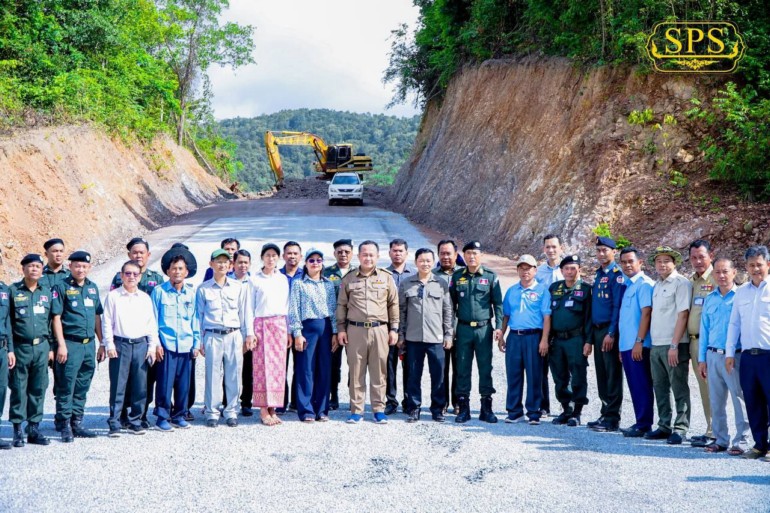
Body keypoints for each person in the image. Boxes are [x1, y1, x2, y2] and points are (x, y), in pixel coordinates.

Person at [336, 240, 399, 424]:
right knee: (356, 371)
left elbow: (393, 304)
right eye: (364, 254)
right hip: (355, 330)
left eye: (372, 255)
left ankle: (378, 409)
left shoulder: (386, 278)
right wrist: (341, 329)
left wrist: (394, 329)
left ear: (378, 257)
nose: (368, 258)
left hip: (380, 329)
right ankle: (357, 410)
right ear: (359, 256)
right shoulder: (349, 278)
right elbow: (342, 305)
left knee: (379, 371)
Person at [110, 237, 165, 429]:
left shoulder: (156, 279)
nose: (138, 255)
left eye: (142, 252)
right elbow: (110, 316)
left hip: (143, 340)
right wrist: (107, 343)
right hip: (123, 340)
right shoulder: (118, 280)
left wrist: (154, 343)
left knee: (144, 381)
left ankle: (139, 416)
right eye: (134, 252)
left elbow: (155, 316)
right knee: (121, 382)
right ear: (128, 255)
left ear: (148, 255)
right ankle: (120, 416)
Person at [101, 260, 160, 437]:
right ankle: (115, 422)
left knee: (140, 386)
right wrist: (109, 344)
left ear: (140, 276)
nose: (131, 277)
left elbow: (151, 324)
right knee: (118, 385)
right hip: (121, 345)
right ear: (121, 275)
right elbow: (107, 322)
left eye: (135, 274)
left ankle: (136, 420)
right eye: (128, 273)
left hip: (141, 345)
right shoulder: (113, 296)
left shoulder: (144, 298)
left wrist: (152, 346)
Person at [8, 254, 62, 447]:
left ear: (42, 270)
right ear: (23, 269)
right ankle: (17, 429)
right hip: (21, 347)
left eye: (38, 266)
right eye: (30, 266)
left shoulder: (47, 292)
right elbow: (8, 323)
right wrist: (10, 350)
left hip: (42, 347)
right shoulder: (13, 291)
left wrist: (52, 348)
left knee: (38, 388)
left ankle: (33, 428)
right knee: (19, 389)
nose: (34, 269)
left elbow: (53, 321)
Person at [197, 249, 254, 428]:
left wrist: (248, 336)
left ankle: (231, 411)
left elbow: (246, 313)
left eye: (225, 262)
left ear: (230, 265)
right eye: (218, 261)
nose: (222, 265)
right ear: (211, 264)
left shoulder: (239, 287)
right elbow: (198, 317)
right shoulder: (203, 289)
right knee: (212, 375)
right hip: (213, 335)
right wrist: (199, 341)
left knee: (234, 374)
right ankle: (212, 412)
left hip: (233, 334)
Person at [51, 251, 103, 442]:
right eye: (77, 266)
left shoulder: (92, 288)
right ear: (70, 266)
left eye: (84, 266)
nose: (81, 269)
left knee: (82, 385)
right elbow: (56, 317)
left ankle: (76, 422)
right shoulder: (61, 287)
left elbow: (97, 316)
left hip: (89, 344)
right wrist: (61, 345)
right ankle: (63, 424)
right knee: (66, 385)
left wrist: (102, 342)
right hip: (70, 344)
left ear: (89, 268)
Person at [698, 257, 749, 455]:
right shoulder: (710, 299)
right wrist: (702, 359)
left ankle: (741, 441)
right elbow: (705, 330)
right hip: (712, 355)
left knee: (739, 399)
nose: (721, 275)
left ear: (734, 272)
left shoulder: (741, 297)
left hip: (734, 356)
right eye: (717, 272)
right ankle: (720, 439)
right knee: (716, 401)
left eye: (725, 271)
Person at [450, 241, 503, 424]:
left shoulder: (490, 276)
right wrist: (452, 329)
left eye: (475, 253)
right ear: (464, 256)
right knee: (462, 368)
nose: (472, 257)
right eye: (469, 253)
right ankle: (463, 407)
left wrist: (499, 327)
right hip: (463, 329)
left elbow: (498, 304)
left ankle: (486, 408)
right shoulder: (458, 277)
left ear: (481, 255)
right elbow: (451, 305)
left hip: (483, 329)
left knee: (485, 368)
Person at [726, 245, 770, 460]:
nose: (755, 269)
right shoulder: (741, 292)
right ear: (746, 267)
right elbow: (734, 324)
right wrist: (729, 353)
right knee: (753, 402)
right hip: (748, 357)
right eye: (751, 265)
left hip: (768, 355)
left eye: (759, 265)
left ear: (768, 265)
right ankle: (760, 444)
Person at [399, 248, 452, 422]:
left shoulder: (441, 283)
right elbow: (401, 311)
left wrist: (448, 334)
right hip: (413, 338)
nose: (425, 264)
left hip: (435, 338)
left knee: (438, 375)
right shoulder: (407, 283)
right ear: (416, 262)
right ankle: (414, 407)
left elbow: (447, 310)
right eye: (421, 260)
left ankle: (437, 408)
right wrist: (401, 334)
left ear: (433, 262)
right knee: (413, 375)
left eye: (428, 260)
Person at [645, 246, 692, 445]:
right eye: (659, 261)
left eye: (666, 260)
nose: (662, 264)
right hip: (657, 343)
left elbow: (683, 314)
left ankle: (680, 427)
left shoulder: (681, 283)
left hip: (674, 344)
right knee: (660, 387)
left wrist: (674, 345)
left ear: (674, 263)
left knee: (679, 386)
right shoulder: (656, 285)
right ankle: (664, 425)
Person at [151, 246, 200, 432]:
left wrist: (196, 343)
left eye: (181, 268)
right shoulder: (159, 292)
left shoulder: (191, 293)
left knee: (183, 383)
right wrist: (155, 343)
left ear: (186, 272)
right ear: (168, 271)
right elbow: (154, 319)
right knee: (164, 383)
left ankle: (179, 415)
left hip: (186, 345)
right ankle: (162, 418)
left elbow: (195, 319)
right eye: (174, 268)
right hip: (167, 345)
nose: (177, 272)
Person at [499, 254, 551, 425]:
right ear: (518, 270)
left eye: (528, 268)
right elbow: (506, 315)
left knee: (534, 375)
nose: (525, 271)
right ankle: (514, 411)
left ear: (535, 270)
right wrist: (502, 334)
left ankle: (534, 412)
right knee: (513, 374)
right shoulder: (512, 291)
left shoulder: (542, 290)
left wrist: (544, 340)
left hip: (534, 337)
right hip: (515, 337)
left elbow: (546, 317)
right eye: (521, 268)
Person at [288, 248, 337, 422]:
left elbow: (332, 310)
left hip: (325, 328)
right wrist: (297, 333)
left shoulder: (328, 284)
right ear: (306, 263)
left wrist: (335, 332)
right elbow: (294, 310)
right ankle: (306, 409)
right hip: (306, 328)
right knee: (305, 369)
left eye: (318, 260)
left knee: (324, 369)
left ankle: (322, 409)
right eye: (311, 260)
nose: (315, 263)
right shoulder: (299, 283)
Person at [547, 255, 592, 426]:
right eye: (566, 268)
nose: (570, 272)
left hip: (576, 339)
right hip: (557, 340)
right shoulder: (554, 288)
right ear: (561, 270)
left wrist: (588, 341)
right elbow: (548, 315)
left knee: (578, 375)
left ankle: (577, 412)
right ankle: (566, 408)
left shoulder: (586, 290)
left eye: (573, 268)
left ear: (579, 270)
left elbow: (589, 318)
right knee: (559, 376)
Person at [250, 243, 291, 426]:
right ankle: (263, 409)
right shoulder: (254, 279)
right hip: (261, 324)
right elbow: (249, 307)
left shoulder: (282, 279)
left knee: (278, 368)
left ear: (278, 258)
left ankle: (274, 407)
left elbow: (287, 306)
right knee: (261, 368)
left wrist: (289, 330)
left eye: (274, 255)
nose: (271, 258)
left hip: (279, 325)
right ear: (262, 258)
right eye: (267, 255)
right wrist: (250, 332)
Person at [617, 248, 655, 438]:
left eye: (631, 261)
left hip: (639, 345)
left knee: (642, 384)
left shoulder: (644, 284)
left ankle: (644, 423)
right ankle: (641, 421)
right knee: (634, 384)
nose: (627, 265)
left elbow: (646, 313)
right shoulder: (627, 285)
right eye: (623, 262)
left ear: (640, 262)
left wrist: (639, 341)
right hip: (627, 344)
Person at [588, 236, 625, 433]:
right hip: (597, 330)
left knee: (612, 375)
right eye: (599, 250)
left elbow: (617, 306)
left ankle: (612, 417)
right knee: (601, 374)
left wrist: (611, 332)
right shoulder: (598, 274)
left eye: (605, 250)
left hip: (609, 331)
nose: (601, 254)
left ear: (613, 252)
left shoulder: (616, 275)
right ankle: (605, 412)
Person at [687, 240, 717, 447]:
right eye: (694, 257)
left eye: (702, 257)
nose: (698, 261)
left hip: (710, 344)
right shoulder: (693, 281)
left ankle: (716, 432)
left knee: (713, 387)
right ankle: (710, 428)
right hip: (693, 342)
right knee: (704, 387)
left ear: (711, 256)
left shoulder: (717, 278)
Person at [324, 238, 356, 410]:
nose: (343, 254)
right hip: (333, 327)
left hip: (354, 326)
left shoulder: (358, 272)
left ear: (352, 253)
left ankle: (353, 397)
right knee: (333, 363)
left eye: (347, 251)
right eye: (340, 252)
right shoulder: (326, 273)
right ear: (334, 253)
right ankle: (333, 396)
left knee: (355, 364)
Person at [433, 239, 463, 415]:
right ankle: (441, 402)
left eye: (448, 253)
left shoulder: (463, 274)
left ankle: (458, 401)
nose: (445, 257)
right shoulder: (432, 275)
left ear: (455, 255)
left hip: (460, 329)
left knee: (460, 369)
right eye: (442, 253)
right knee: (441, 368)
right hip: (438, 330)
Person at [535, 234, 564, 418]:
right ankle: (543, 405)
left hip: (563, 324)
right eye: (548, 247)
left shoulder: (568, 269)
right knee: (541, 367)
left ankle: (565, 405)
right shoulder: (538, 272)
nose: (551, 250)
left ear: (561, 248)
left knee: (562, 367)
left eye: (554, 246)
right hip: (543, 324)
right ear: (544, 249)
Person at [385, 238, 415, 415]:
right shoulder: (382, 274)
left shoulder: (414, 275)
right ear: (389, 253)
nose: (397, 253)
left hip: (410, 328)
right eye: (394, 250)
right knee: (389, 366)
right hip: (388, 328)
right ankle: (391, 401)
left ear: (406, 253)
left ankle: (408, 400)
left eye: (400, 251)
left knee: (410, 367)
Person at [279, 241, 303, 414]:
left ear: (300, 256)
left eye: (295, 253)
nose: (292, 256)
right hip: (280, 328)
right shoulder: (276, 275)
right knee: (281, 366)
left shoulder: (306, 275)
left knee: (300, 366)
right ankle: (280, 402)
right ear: (283, 256)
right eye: (289, 253)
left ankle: (296, 402)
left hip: (301, 328)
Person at [0, 252, 13, 449]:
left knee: (1, 389)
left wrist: (10, 348)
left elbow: (8, 322)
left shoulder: (4, 289)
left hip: (2, 349)